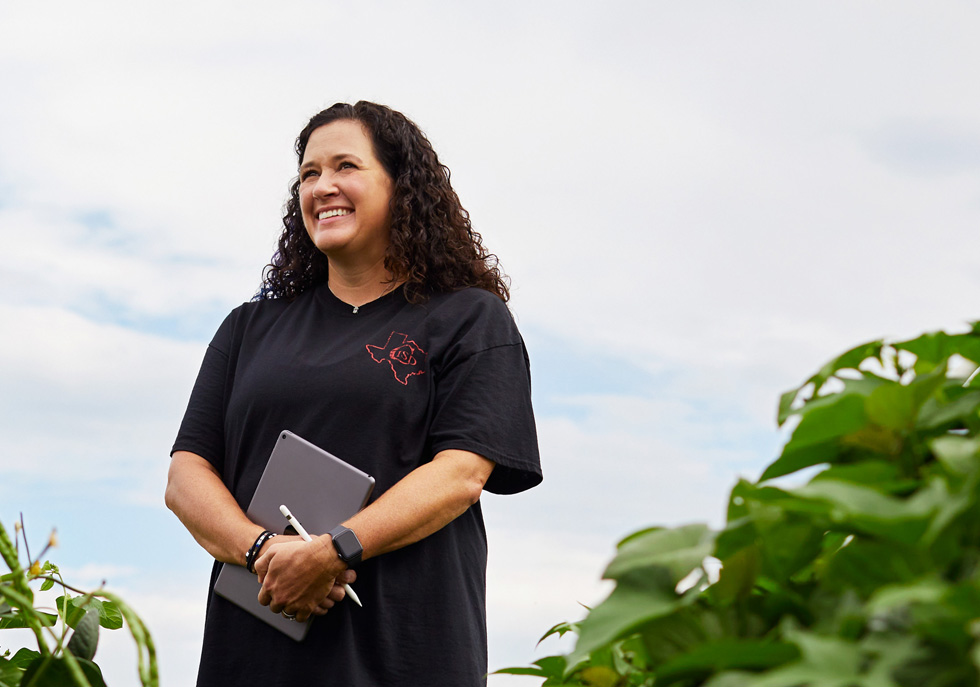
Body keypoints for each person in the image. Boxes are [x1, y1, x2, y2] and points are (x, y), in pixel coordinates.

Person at [165, 101, 542, 687]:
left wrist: (332, 553)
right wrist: (264, 551)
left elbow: (461, 474)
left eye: (346, 166)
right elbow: (186, 475)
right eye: (309, 173)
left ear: (402, 186)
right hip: (252, 657)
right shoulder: (248, 328)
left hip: (404, 656)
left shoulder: (470, 320)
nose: (323, 187)